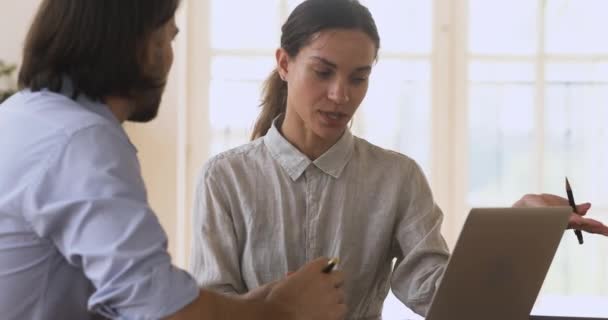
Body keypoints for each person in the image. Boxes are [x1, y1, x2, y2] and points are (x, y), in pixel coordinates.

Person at [190, 0, 608, 318]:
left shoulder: (397, 178)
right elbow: (212, 309)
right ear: (284, 63)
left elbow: (445, 301)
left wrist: (518, 229)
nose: (342, 95)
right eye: (323, 72)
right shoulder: (225, 178)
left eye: (359, 77)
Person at [0, 1, 346, 319]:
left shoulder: (23, 114)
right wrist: (283, 310)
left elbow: (128, 298)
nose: (169, 56)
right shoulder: (82, 141)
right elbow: (162, 312)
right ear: (138, 44)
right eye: (169, 38)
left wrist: (255, 305)